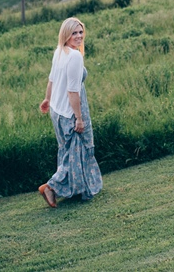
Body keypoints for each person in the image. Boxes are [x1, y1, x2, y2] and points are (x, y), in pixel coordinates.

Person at [38, 17, 103, 207]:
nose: (79, 36)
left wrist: (48, 100)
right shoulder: (74, 57)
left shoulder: (59, 52)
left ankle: (77, 188)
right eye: (74, 33)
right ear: (65, 34)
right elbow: (72, 91)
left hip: (57, 111)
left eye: (81, 32)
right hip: (69, 112)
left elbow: (52, 80)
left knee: (69, 152)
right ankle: (51, 187)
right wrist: (79, 119)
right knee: (76, 152)